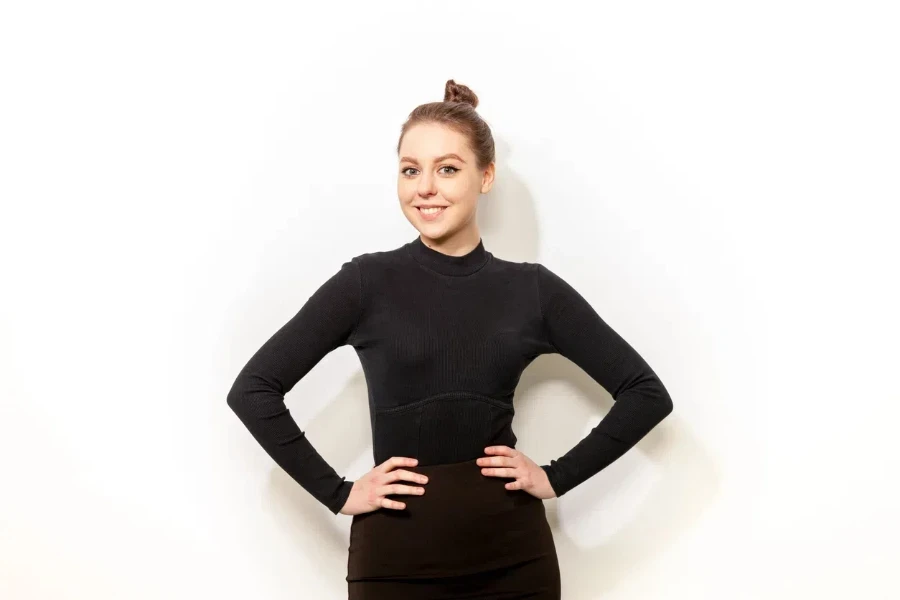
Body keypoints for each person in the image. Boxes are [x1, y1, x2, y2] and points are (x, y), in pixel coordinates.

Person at [226, 79, 674, 599]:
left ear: (485, 176)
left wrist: (556, 477)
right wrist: (338, 492)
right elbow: (254, 389)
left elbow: (645, 393)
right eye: (410, 170)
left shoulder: (532, 290)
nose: (425, 188)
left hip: (514, 560)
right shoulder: (365, 283)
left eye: (448, 169)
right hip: (394, 563)